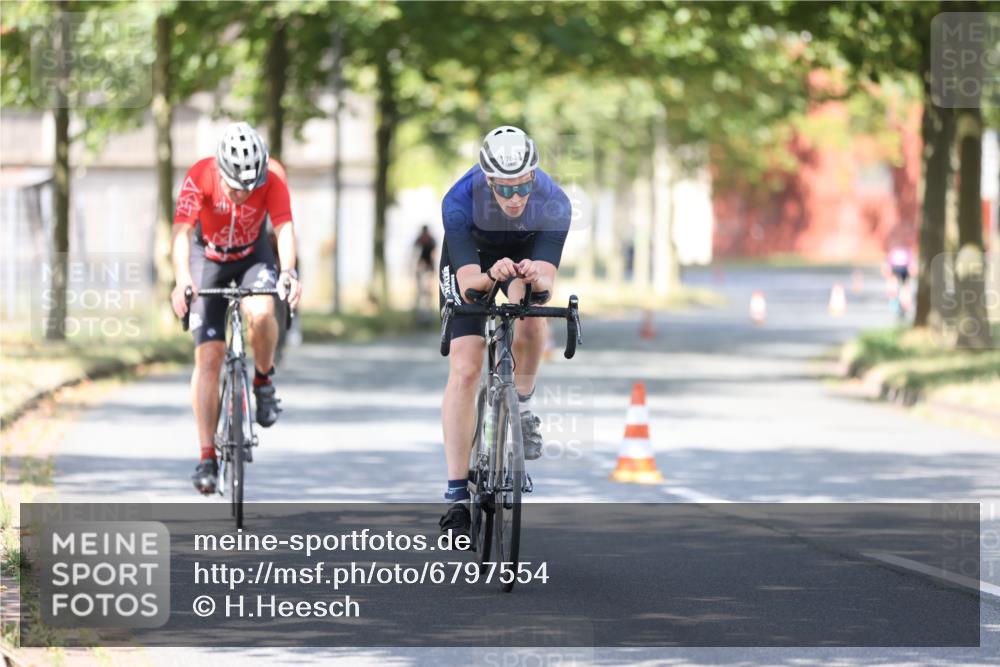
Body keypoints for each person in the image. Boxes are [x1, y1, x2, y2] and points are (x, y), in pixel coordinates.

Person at [437, 125, 571, 537]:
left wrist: (533, 277)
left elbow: (546, 285)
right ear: (488, 180)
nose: (516, 198)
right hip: (473, 260)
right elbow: (469, 285)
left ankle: (523, 408)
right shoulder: (459, 201)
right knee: (466, 365)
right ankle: (457, 494)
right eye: (505, 189)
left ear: (534, 175)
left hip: (523, 254)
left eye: (523, 187)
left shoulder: (554, 202)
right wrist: (485, 276)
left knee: (530, 318)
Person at [169, 122, 302, 495]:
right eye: (234, 187)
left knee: (261, 313)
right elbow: (181, 232)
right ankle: (207, 456)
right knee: (209, 358)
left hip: (252, 257)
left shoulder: (272, 177)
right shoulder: (201, 174)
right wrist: (182, 279)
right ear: (221, 172)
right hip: (206, 257)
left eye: (250, 187)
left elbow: (285, 226)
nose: (243, 195)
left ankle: (263, 381)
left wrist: (288, 271)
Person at [413, 225, 437, 322]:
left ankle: (427, 315)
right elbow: (415, 255)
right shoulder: (420, 240)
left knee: (427, 292)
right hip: (422, 269)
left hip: (428, 269)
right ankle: (421, 315)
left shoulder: (430, 240)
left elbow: (434, 254)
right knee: (421, 292)